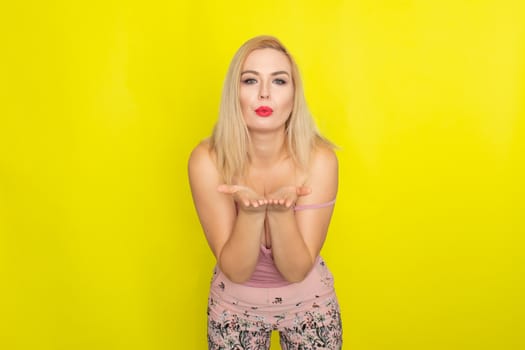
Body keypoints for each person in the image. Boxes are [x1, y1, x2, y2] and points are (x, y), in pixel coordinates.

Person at [188, 35, 342, 349]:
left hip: (310, 305)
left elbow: (297, 270)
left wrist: (282, 214)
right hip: (234, 308)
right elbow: (235, 269)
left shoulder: (320, 160)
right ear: (235, 91)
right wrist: (251, 214)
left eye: (279, 81)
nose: (264, 93)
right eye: (250, 80)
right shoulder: (207, 159)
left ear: (295, 94)